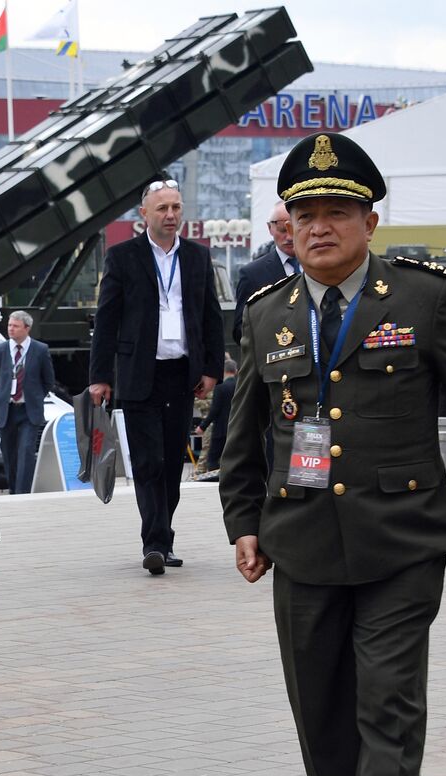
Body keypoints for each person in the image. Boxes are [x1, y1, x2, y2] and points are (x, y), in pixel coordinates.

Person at [218, 132, 446, 776]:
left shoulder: (421, 298)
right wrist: (243, 522)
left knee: (388, 706)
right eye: (305, 214)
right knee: (321, 712)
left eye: (337, 212)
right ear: (288, 226)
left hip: (401, 539)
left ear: (369, 222)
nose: (320, 227)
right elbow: (244, 437)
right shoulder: (266, 314)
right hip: (301, 541)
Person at [88, 178, 224, 575]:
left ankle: (162, 536)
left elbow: (211, 315)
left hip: (182, 375)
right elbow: (107, 319)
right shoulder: (123, 257)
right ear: (144, 214)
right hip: (138, 374)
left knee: (171, 462)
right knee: (148, 461)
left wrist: (212, 369)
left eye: (176, 207)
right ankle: (156, 543)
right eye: (162, 208)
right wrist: (100, 376)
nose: (170, 215)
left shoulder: (197, 257)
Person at [0, 310, 55, 493]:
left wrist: (35, 397)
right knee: (9, 453)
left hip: (28, 410)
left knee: (26, 451)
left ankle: (23, 492)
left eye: (15, 326)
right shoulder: (0, 350)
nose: (11, 329)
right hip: (7, 409)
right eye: (9, 325)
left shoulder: (40, 350)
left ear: (27, 328)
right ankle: (13, 490)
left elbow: (48, 380)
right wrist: (5, 395)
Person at [233, 200, 298, 343]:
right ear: (270, 228)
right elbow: (240, 330)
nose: (289, 237)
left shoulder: (321, 266)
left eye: (293, 229)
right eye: (282, 230)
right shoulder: (252, 274)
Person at [192, 355, 237, 474]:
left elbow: (214, 409)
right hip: (235, 426)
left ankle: (209, 476)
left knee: (212, 456)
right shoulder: (239, 386)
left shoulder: (220, 387)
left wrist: (203, 426)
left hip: (219, 428)